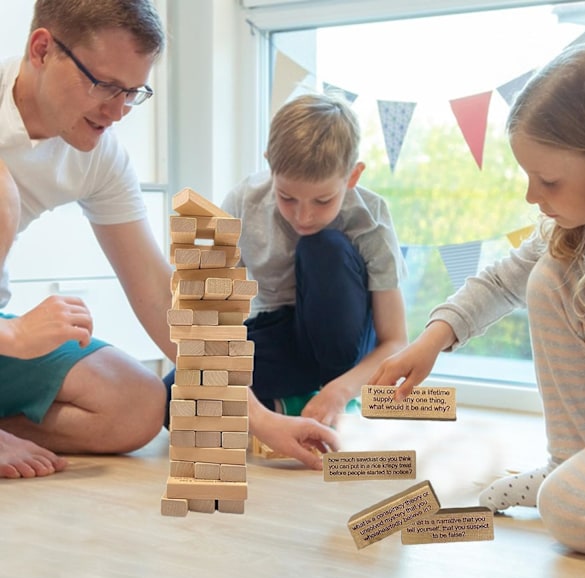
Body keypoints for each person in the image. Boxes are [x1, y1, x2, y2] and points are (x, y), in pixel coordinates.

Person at [0, 0, 338, 477]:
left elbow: (162, 297)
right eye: (104, 85)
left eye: (133, 93)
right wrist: (11, 334)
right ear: (42, 50)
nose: (117, 111)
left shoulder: (100, 155)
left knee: (140, 406)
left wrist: (259, 419)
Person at [370, 42, 585, 555]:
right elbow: (499, 282)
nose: (530, 196)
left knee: (565, 509)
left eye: (548, 180)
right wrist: (430, 341)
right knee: (545, 274)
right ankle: (568, 463)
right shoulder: (573, 235)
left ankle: (567, 481)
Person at [190, 93, 407, 460]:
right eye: (287, 197)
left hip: (346, 346)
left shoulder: (370, 217)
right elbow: (208, 316)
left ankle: (324, 399)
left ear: (353, 175)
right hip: (280, 331)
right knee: (177, 394)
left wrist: (339, 390)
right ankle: (290, 403)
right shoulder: (244, 202)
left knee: (322, 247)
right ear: (270, 168)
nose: (303, 216)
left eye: (322, 201)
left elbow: (395, 341)